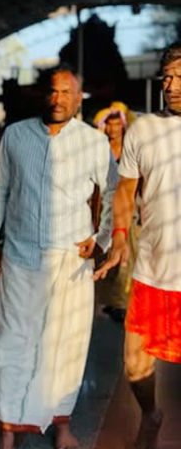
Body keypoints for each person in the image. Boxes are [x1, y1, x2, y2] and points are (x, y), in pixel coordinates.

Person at [0, 66, 117, 449]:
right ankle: (5, 434)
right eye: (52, 91)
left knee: (65, 345)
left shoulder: (92, 142)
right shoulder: (16, 135)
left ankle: (62, 423)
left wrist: (102, 239)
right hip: (20, 256)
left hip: (70, 260)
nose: (57, 99)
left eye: (66, 92)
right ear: (44, 96)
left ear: (79, 99)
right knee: (11, 340)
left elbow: (113, 190)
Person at [95, 43, 181, 449]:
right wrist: (121, 236)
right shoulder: (144, 128)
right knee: (134, 366)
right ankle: (151, 414)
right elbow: (126, 189)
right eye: (167, 77)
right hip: (152, 270)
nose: (172, 85)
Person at [92, 103, 137, 322]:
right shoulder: (100, 148)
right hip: (103, 206)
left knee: (126, 255)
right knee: (105, 253)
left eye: (117, 124)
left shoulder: (129, 147)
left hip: (127, 207)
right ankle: (110, 299)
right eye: (109, 125)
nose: (113, 128)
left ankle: (121, 301)